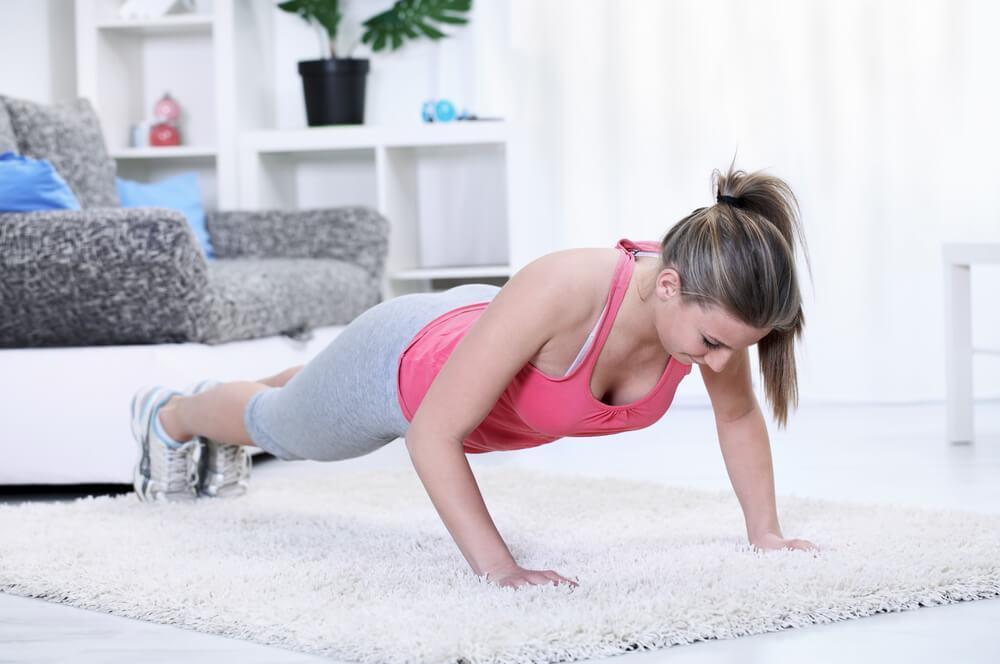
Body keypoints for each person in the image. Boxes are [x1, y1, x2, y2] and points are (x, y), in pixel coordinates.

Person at [129, 161, 819, 590]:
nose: (723, 365)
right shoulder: (571, 284)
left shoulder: (707, 313)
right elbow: (432, 434)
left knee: (307, 389)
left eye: (737, 349)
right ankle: (172, 415)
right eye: (715, 344)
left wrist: (765, 530)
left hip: (470, 327)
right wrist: (498, 567)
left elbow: (736, 416)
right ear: (668, 284)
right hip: (396, 366)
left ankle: (300, 384)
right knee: (282, 426)